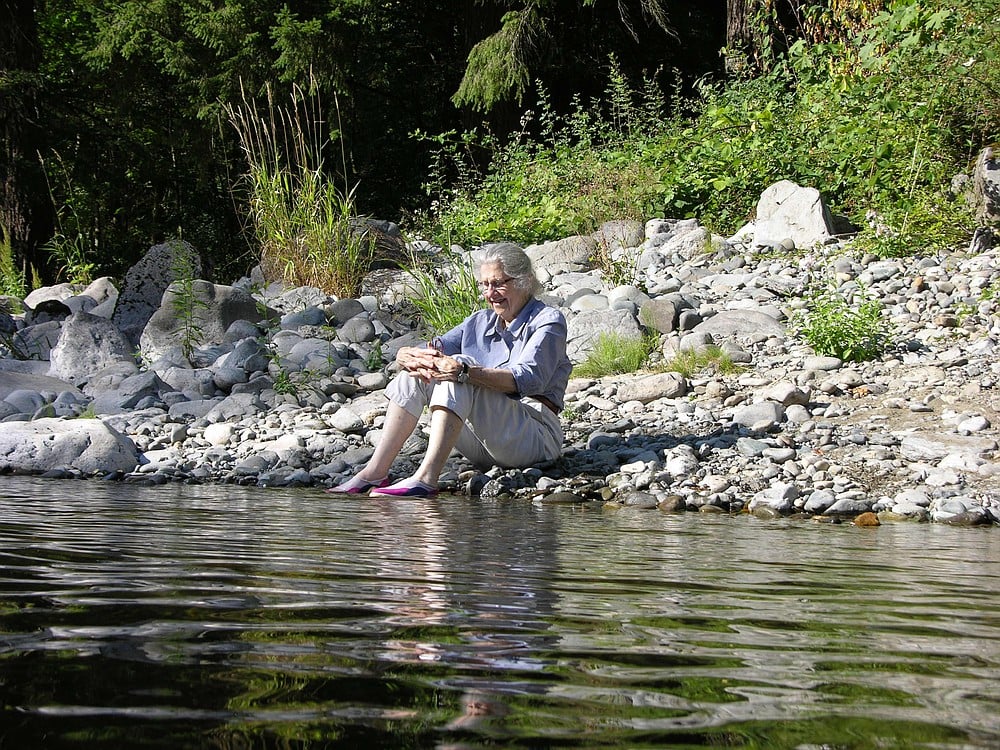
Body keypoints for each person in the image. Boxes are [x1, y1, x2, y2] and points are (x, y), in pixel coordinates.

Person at [328, 242, 572, 497]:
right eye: (485, 285)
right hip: (486, 443)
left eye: (499, 283)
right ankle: (375, 473)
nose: (491, 293)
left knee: (459, 368)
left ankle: (426, 478)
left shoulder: (548, 321)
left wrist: (465, 372)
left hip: (534, 437)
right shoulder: (480, 321)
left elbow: (529, 380)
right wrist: (407, 355)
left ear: (524, 281)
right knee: (420, 369)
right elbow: (434, 348)